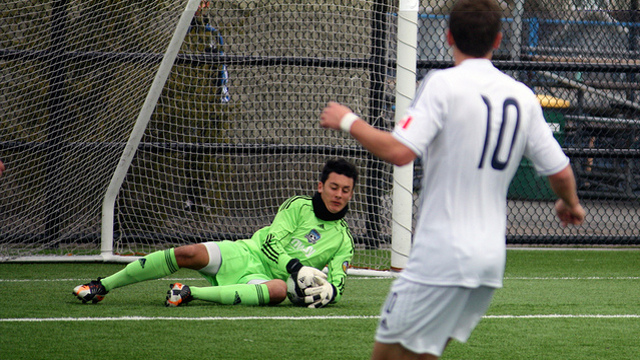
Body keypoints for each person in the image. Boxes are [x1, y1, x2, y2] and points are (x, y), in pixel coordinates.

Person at [320, 0, 585, 358]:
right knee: (424, 354)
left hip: (441, 255)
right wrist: (570, 204)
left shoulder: (443, 84)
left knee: (386, 356)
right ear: (498, 39)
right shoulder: (522, 97)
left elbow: (400, 152)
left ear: (448, 36)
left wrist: (348, 120)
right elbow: (561, 170)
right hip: (488, 261)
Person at [73, 158, 357, 308]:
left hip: (268, 279)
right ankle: (102, 286)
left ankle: (189, 293)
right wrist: (296, 267)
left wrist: (331, 291)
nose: (339, 195)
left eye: (345, 190)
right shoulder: (298, 205)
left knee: (279, 290)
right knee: (188, 253)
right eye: (334, 187)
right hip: (247, 252)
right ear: (321, 186)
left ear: (351, 194)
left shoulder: (344, 239)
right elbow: (270, 243)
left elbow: (339, 282)